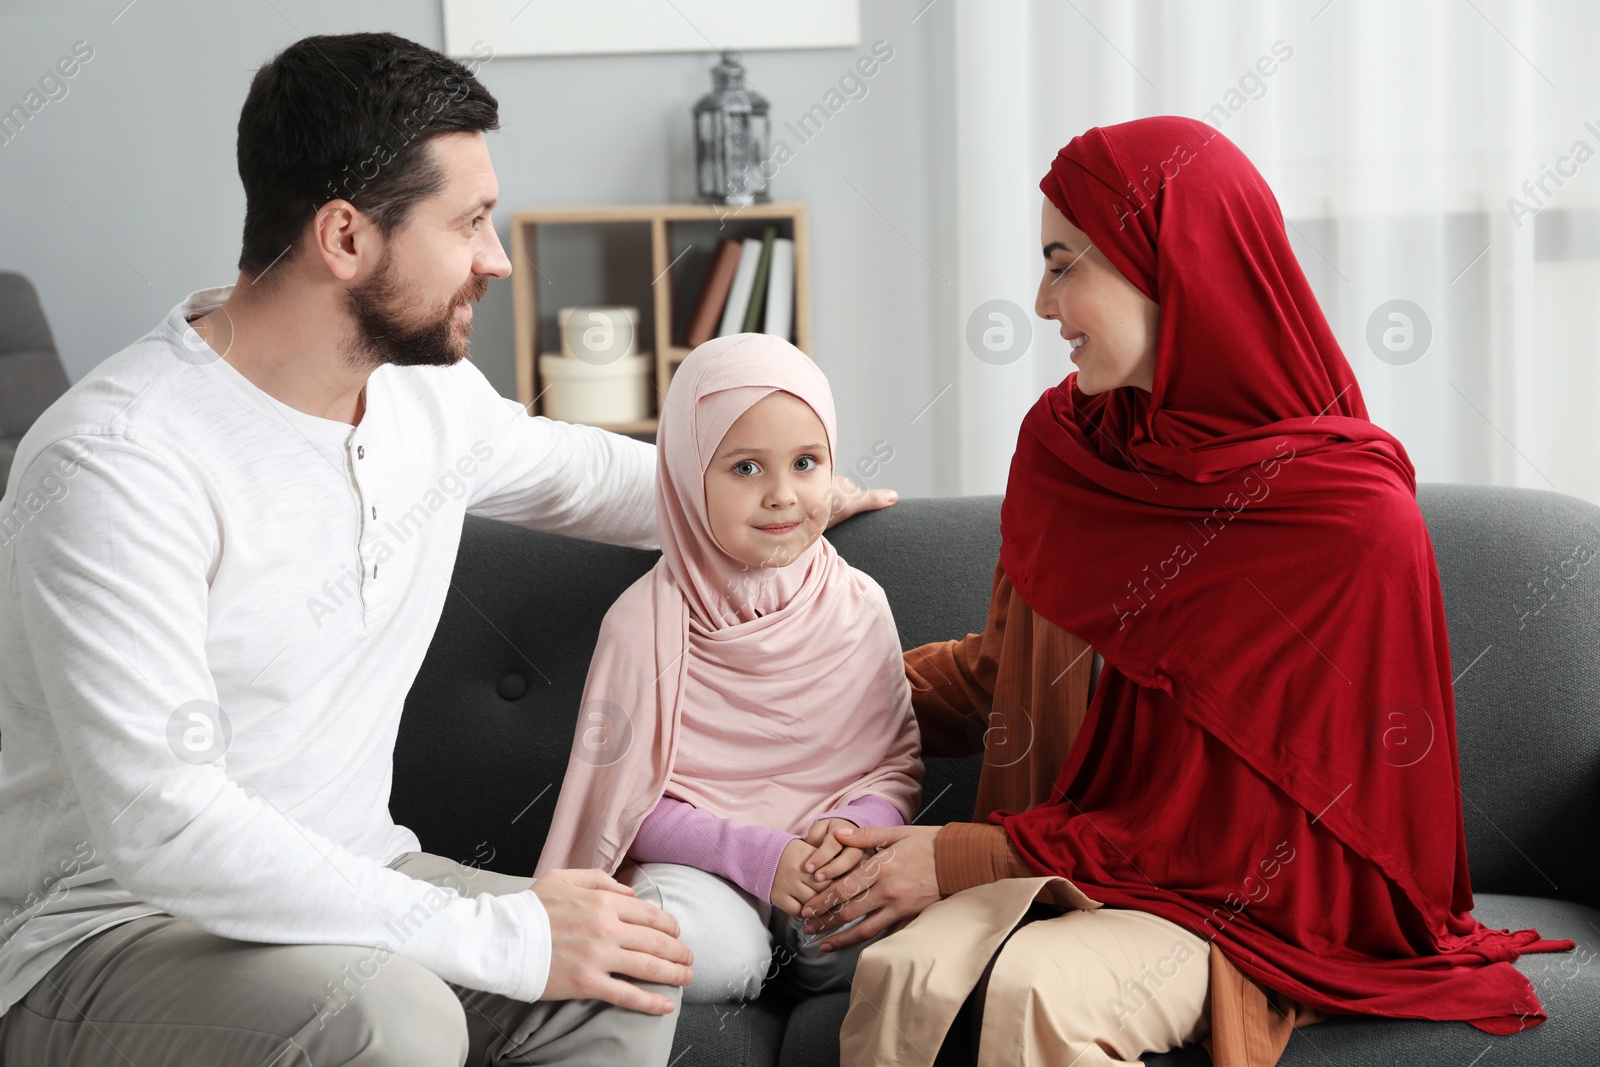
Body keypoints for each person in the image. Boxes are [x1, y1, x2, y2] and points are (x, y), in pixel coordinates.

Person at [0, 32, 890, 1067]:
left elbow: (595, 475)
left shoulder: (428, 401)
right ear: (344, 236)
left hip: (357, 877)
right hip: (112, 934)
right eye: (468, 222)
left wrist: (780, 494)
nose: (496, 257)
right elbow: (164, 824)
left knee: (631, 962)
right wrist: (505, 932)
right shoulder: (118, 460)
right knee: (391, 1014)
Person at [796, 116, 1576, 1067]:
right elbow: (1005, 673)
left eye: (1061, 264)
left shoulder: (1346, 521)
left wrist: (965, 856)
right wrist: (799, 671)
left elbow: (1266, 839)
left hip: (1238, 901)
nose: (1041, 305)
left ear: (1169, 263)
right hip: (1067, 860)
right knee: (898, 975)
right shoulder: (1067, 449)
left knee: (1039, 995)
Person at [537, 333, 922, 1007]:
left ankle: (812, 943)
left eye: (806, 463)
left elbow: (894, 762)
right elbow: (624, 803)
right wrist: (760, 857)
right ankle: (750, 941)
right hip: (701, 867)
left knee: (868, 939)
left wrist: (851, 829)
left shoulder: (857, 603)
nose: (782, 495)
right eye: (745, 468)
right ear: (688, 475)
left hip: (827, 858)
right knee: (711, 952)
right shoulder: (641, 624)